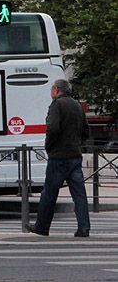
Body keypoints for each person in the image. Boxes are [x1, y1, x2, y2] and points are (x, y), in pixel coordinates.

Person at [29, 79, 91, 237]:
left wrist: (48, 146)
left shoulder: (57, 105)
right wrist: (77, 144)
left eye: (52, 89)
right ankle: (84, 228)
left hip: (59, 156)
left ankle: (42, 226)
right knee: (79, 194)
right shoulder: (77, 105)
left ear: (56, 90)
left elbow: (53, 128)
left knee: (49, 192)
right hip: (75, 155)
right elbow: (86, 131)